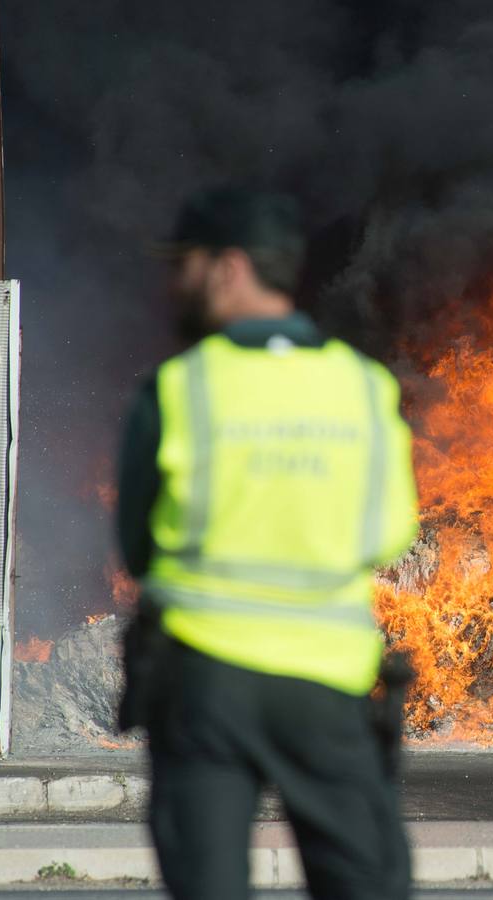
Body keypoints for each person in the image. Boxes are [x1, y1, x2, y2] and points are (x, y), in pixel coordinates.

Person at [115, 186, 419, 900]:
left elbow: (135, 547)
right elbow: (389, 534)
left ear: (228, 269)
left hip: (203, 685)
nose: (173, 281)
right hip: (328, 686)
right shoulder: (363, 388)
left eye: (183, 264)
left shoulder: (178, 388)